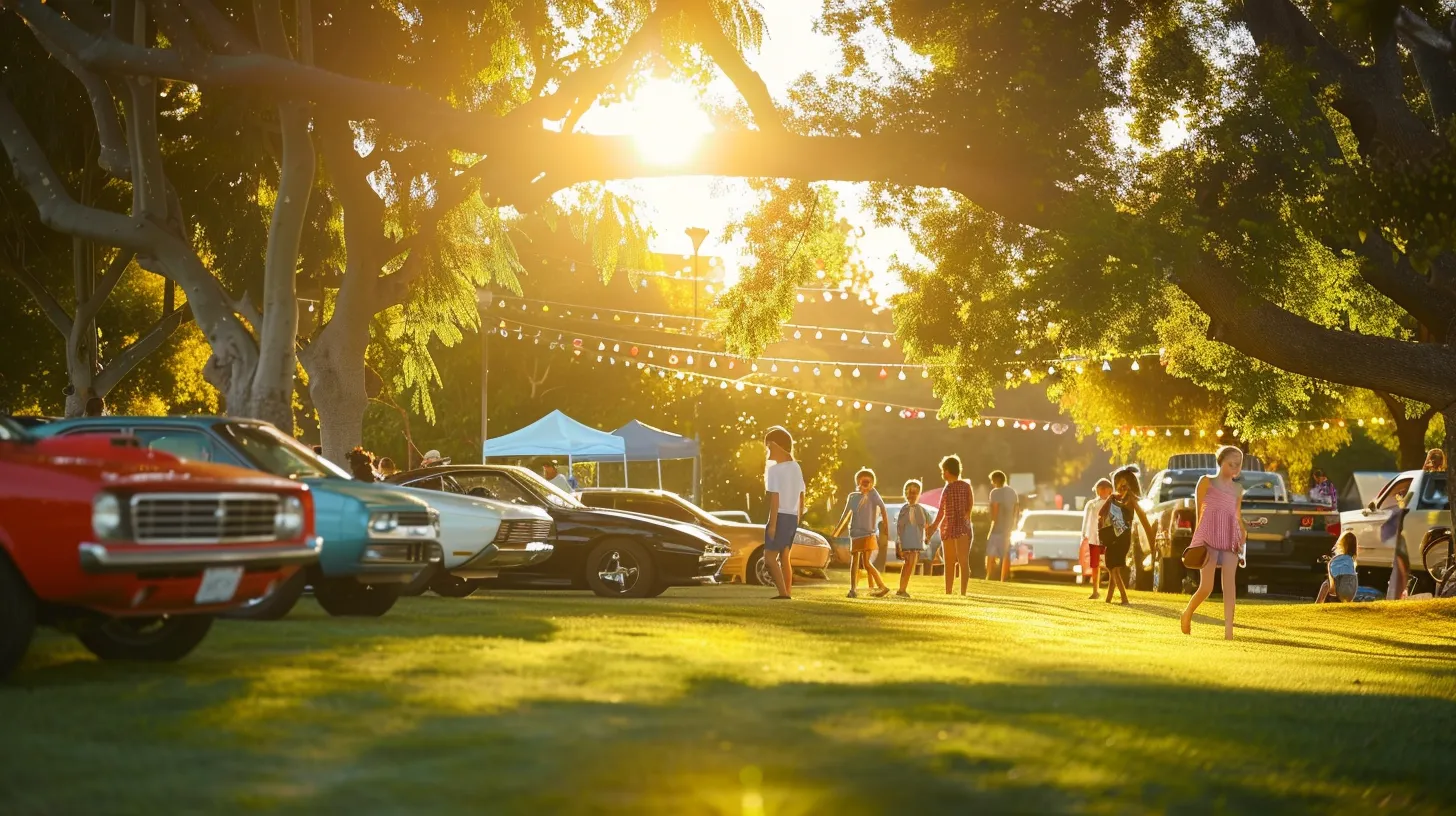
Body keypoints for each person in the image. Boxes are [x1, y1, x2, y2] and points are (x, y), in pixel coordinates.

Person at [1179, 446, 1248, 639]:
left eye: (1239, 464)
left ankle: (1229, 633)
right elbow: (1198, 513)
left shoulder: (1237, 489)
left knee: (1229, 585)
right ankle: (1187, 613)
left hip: (1230, 538)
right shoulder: (1206, 482)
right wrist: (1197, 540)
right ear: (1221, 462)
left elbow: (1237, 515)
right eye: (1231, 463)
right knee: (1206, 587)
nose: (1235, 468)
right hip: (1208, 537)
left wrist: (1242, 534)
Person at [1099, 466, 1155, 606]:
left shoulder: (1131, 500)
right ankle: (1109, 598)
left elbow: (1142, 517)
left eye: (1125, 485)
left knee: (1113, 567)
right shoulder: (1114, 499)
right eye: (1119, 484)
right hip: (1112, 536)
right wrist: (1110, 499)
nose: (1122, 488)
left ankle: (1124, 598)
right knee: (1113, 566)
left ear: (1131, 485)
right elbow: (1101, 513)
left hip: (1122, 537)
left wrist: (1152, 543)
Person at [762, 426, 805, 600]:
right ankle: (787, 592)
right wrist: (798, 518)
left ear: (777, 445)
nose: (768, 451)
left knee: (769, 558)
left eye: (769, 447)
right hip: (792, 517)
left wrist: (772, 525)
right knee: (785, 556)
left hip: (779, 516)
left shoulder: (774, 470)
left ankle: (783, 593)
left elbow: (775, 498)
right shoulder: (796, 467)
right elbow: (802, 495)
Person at [833, 468, 891, 598]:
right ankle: (854, 588)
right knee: (856, 561)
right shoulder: (853, 497)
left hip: (868, 533)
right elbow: (845, 515)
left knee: (866, 563)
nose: (865, 485)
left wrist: (886, 526)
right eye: (863, 481)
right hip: (855, 533)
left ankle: (880, 586)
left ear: (872, 483)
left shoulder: (873, 494)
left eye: (868, 482)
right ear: (858, 482)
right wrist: (836, 531)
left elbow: (882, 507)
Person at [929, 454, 974, 595]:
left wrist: (933, 527)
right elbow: (969, 508)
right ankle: (963, 592)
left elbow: (941, 512)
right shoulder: (966, 487)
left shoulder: (947, 489)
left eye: (943, 470)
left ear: (947, 471)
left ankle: (949, 591)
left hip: (949, 528)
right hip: (963, 528)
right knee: (963, 561)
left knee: (949, 562)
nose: (942, 473)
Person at [895, 479, 931, 598]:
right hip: (906, 540)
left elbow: (927, 524)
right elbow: (899, 527)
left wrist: (927, 537)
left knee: (911, 565)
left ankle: (903, 588)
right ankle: (901, 588)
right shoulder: (904, 509)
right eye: (910, 493)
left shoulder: (921, 510)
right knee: (908, 564)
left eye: (915, 493)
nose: (912, 495)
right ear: (906, 494)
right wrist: (899, 542)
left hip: (916, 540)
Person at [1080, 478, 1114, 599]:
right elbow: (1086, 521)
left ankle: (1112, 590)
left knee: (1111, 566)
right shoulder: (1092, 504)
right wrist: (1084, 535)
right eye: (1100, 489)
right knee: (1095, 565)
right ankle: (1095, 590)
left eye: (1105, 489)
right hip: (1094, 538)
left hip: (1108, 539)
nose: (1103, 491)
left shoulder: (1113, 503)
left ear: (1110, 490)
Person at [986, 471, 1017, 581]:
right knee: (1006, 554)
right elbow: (1016, 510)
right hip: (1008, 528)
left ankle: (988, 576)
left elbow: (995, 511)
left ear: (995, 480)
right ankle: (1004, 578)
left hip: (997, 528)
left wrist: (992, 526)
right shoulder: (1012, 492)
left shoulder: (995, 492)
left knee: (991, 553)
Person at [1316, 532, 1359, 603]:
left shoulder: (1336, 559)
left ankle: (1317, 603)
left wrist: (1329, 563)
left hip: (1342, 591)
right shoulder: (1351, 561)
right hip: (1352, 592)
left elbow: (1334, 576)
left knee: (1325, 584)